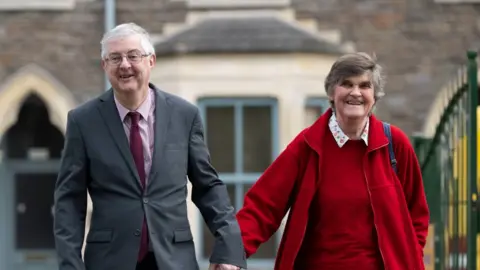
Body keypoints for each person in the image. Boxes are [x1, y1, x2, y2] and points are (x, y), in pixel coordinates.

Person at [53, 22, 246, 270]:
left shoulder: (184, 115)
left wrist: (228, 248)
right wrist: (70, 264)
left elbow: (208, 186)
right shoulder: (83, 121)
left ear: (151, 61)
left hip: (174, 260)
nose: (124, 65)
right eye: (115, 58)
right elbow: (69, 200)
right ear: (104, 66)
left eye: (133, 56)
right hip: (109, 260)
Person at [236, 52, 429, 270]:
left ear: (374, 95)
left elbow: (417, 215)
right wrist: (233, 251)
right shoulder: (307, 146)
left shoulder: (394, 144)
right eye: (346, 84)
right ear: (331, 92)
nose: (355, 92)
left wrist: (409, 258)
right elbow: (263, 205)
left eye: (364, 86)